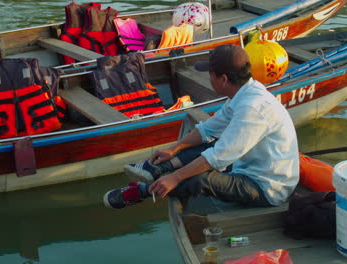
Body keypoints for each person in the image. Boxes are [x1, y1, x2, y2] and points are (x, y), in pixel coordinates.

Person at [103, 44, 299, 209]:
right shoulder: (245, 92)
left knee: (201, 179)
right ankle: (157, 168)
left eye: (210, 75)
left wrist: (176, 178)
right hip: (245, 164)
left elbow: (217, 157)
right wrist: (174, 149)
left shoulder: (253, 108)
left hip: (267, 187)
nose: (209, 79)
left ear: (222, 79)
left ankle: (142, 191)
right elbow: (209, 129)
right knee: (206, 144)